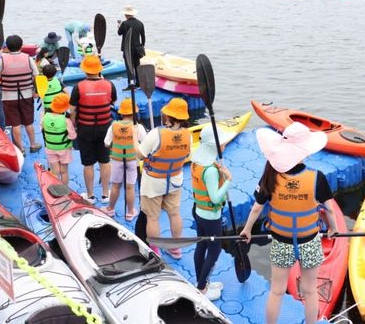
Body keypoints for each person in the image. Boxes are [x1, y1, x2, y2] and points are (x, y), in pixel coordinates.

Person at [240, 122, 340, 324]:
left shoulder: (270, 176)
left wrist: (247, 229)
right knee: (310, 291)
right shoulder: (316, 178)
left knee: (276, 291)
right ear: (304, 151)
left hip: (282, 242)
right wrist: (334, 229)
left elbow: (257, 208)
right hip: (309, 242)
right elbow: (329, 209)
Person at [133, 98, 191, 258]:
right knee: (174, 213)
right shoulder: (188, 135)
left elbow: (139, 154)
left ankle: (155, 249)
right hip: (174, 180)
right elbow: (186, 154)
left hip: (153, 182)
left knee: (152, 217)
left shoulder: (156, 133)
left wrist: (133, 137)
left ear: (169, 116)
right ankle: (175, 248)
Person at [191, 126, 232, 301]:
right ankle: (201, 287)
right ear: (213, 145)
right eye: (222, 142)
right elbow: (215, 199)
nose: (225, 144)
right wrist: (228, 180)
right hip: (211, 216)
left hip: (198, 212)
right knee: (214, 251)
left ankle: (201, 282)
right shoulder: (212, 170)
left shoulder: (196, 162)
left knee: (201, 245)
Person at [69, 55, 116, 203]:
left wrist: (74, 125)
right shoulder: (109, 85)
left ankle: (90, 195)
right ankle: (105, 194)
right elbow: (113, 102)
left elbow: (73, 110)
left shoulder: (78, 87)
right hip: (105, 128)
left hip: (85, 128)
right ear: (99, 70)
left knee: (88, 163)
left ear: (84, 70)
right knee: (105, 161)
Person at [0, 35, 41, 155]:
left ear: (7, 47)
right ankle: (33, 144)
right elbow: (36, 76)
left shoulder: (2, 60)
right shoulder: (28, 58)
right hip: (26, 95)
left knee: (15, 124)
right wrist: (36, 91)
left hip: (9, 97)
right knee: (28, 122)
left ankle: (20, 149)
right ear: (21, 45)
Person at [101, 98, 146, 220]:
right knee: (130, 187)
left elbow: (106, 143)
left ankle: (110, 209)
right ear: (135, 113)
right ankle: (130, 212)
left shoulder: (113, 126)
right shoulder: (139, 128)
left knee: (115, 186)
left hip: (117, 160)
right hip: (132, 161)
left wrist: (115, 145)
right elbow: (145, 144)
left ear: (121, 113)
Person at [42, 93, 75, 185]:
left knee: (55, 172)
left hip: (50, 148)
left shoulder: (45, 117)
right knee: (64, 171)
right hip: (64, 149)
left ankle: (56, 189)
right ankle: (65, 190)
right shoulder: (66, 120)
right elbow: (72, 136)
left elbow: (42, 128)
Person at [117, 5, 145, 87]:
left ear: (125, 15)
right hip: (137, 48)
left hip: (127, 48)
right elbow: (143, 36)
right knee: (137, 66)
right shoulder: (140, 23)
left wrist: (119, 26)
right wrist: (142, 46)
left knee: (129, 66)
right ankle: (139, 84)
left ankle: (131, 84)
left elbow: (119, 33)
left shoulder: (124, 23)